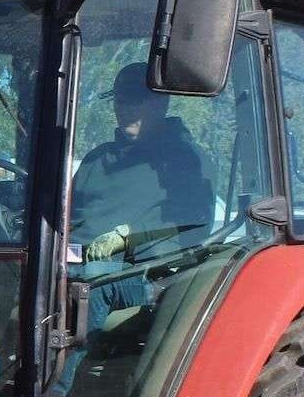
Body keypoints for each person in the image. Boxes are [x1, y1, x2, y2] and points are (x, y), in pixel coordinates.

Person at [69, 61, 213, 333]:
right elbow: (65, 215)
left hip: (148, 276)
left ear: (162, 103)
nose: (126, 109)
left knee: (94, 285)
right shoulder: (96, 160)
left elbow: (194, 227)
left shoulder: (183, 161)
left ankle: (59, 375)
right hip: (75, 265)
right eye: (121, 101)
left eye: (136, 101)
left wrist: (129, 237)